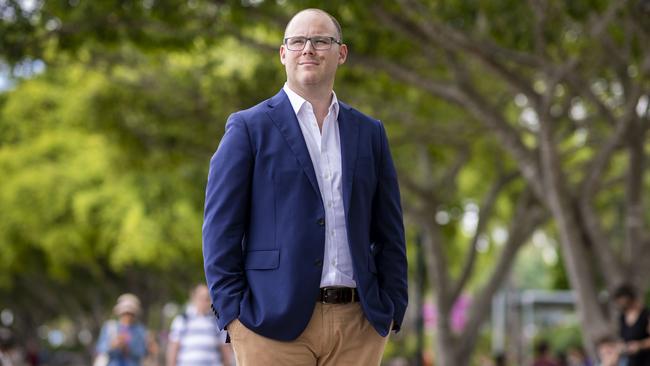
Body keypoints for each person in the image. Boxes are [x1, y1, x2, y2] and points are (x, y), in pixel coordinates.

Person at [202, 7, 408, 365]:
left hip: (358, 324)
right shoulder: (248, 128)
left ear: (340, 53)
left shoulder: (369, 133)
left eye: (321, 40)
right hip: (270, 324)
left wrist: (392, 306)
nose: (308, 48)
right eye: (297, 41)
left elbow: (389, 229)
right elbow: (220, 229)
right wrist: (233, 315)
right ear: (283, 53)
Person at [166, 284, 232, 366]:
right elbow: (173, 349)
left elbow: (225, 351)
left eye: (207, 298)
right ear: (194, 298)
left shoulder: (217, 322)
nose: (204, 301)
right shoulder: (182, 320)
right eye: (201, 297)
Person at [95, 293, 148, 366]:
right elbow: (100, 348)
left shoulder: (140, 330)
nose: (127, 315)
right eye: (125, 313)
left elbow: (142, 352)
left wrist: (127, 347)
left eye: (130, 313)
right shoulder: (109, 327)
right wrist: (112, 345)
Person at [613, 283, 650, 366]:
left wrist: (640, 345)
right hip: (633, 361)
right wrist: (622, 347)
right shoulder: (622, 318)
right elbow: (622, 339)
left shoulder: (645, 314)